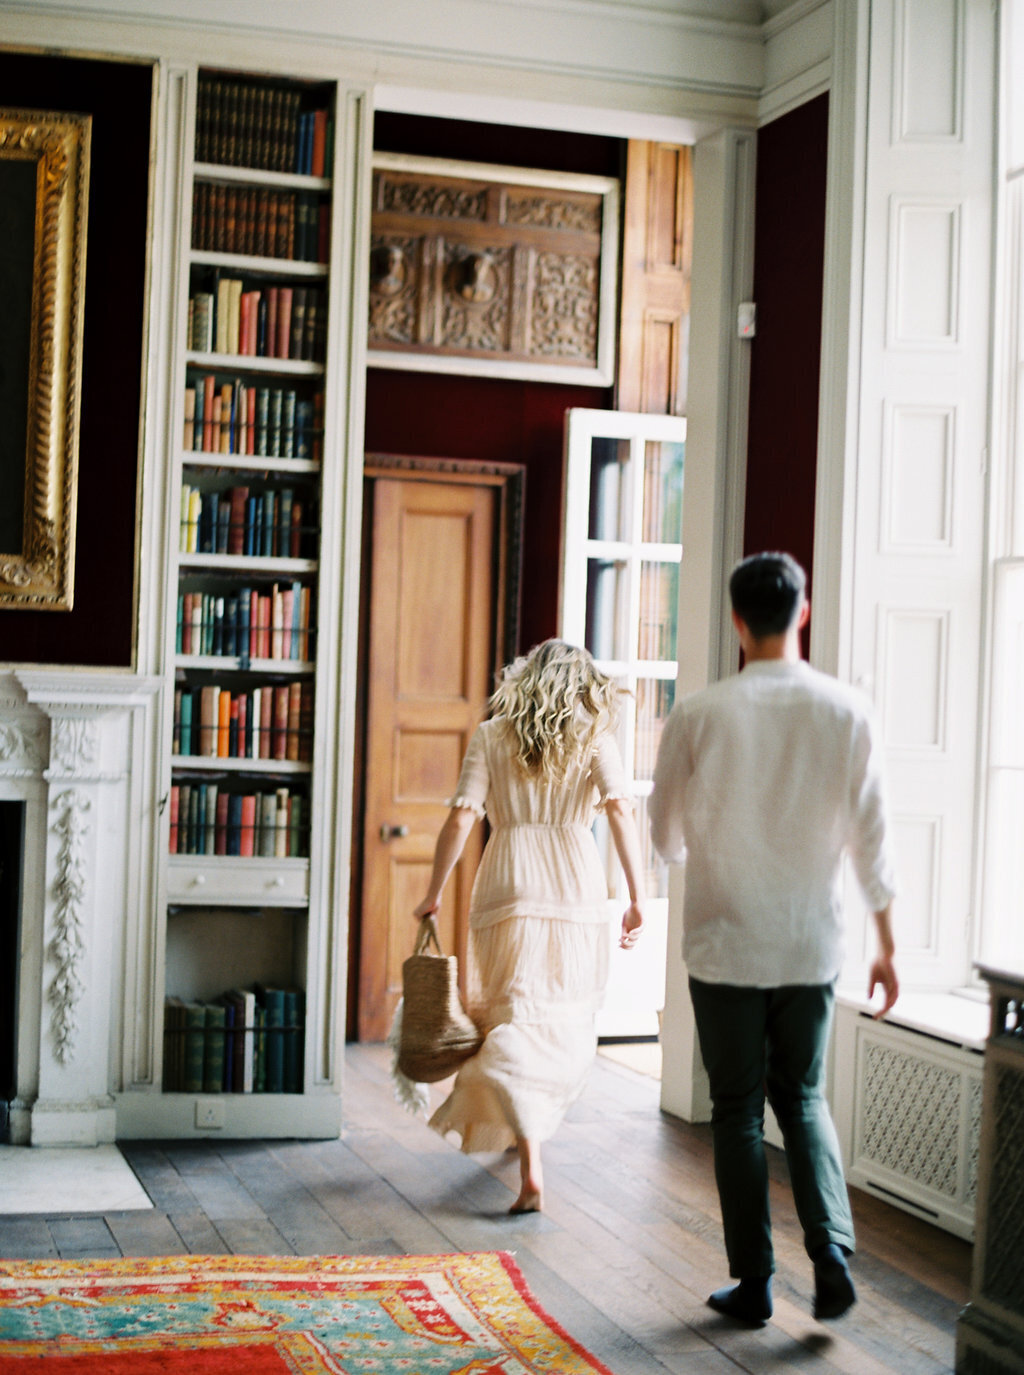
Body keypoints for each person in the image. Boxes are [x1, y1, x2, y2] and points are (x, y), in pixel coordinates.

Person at [649, 552, 899, 1327]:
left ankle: (754, 1283)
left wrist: (699, 850)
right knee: (802, 1095)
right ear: (804, 612)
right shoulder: (847, 709)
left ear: (734, 620)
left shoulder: (699, 713)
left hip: (725, 941)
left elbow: (664, 836)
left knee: (735, 1109)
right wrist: (888, 944)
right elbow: (874, 840)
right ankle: (830, 1256)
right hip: (808, 943)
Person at [412, 639, 645, 1214]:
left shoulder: (493, 735)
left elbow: (462, 817)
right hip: (574, 882)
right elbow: (620, 811)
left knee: (513, 1011)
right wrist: (637, 896)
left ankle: (526, 1142)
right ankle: (531, 1147)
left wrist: (433, 893)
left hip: (509, 880)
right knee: (561, 1013)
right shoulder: (596, 738)